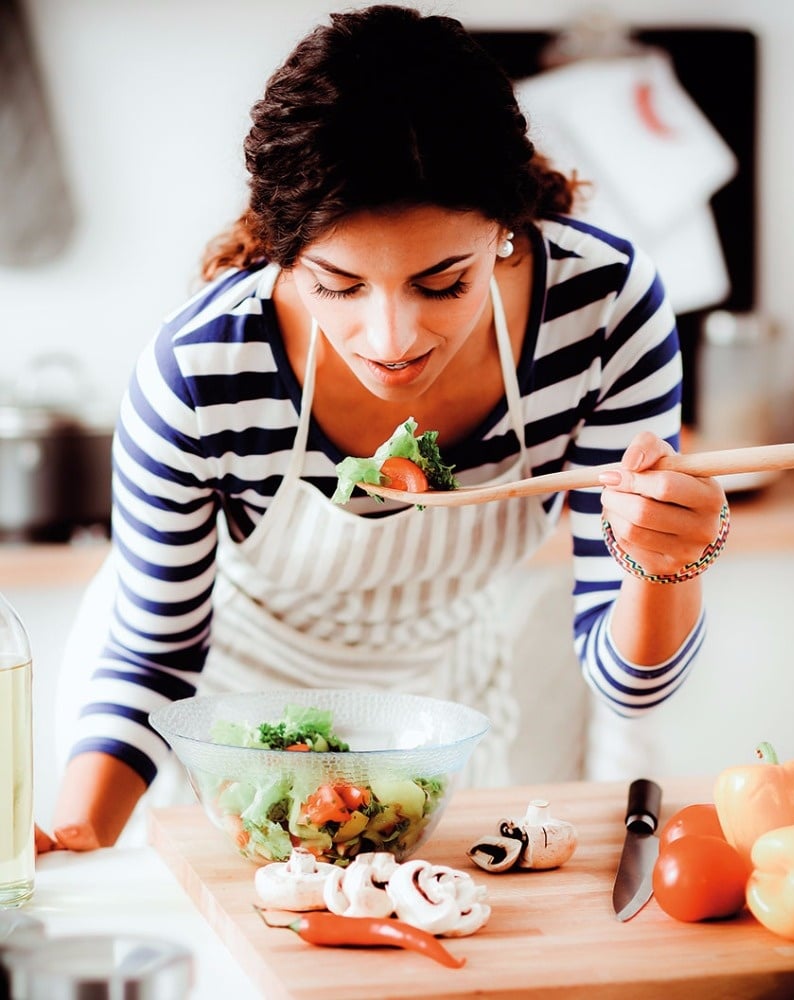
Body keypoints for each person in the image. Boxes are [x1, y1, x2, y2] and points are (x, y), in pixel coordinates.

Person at [40, 5, 727, 852]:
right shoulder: (200, 373)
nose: (393, 342)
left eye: (444, 283)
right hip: (221, 712)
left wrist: (663, 565)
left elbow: (631, 688)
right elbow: (153, 660)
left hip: (431, 709)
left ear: (508, 231)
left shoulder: (604, 312)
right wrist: (72, 835)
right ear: (282, 249)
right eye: (337, 285)